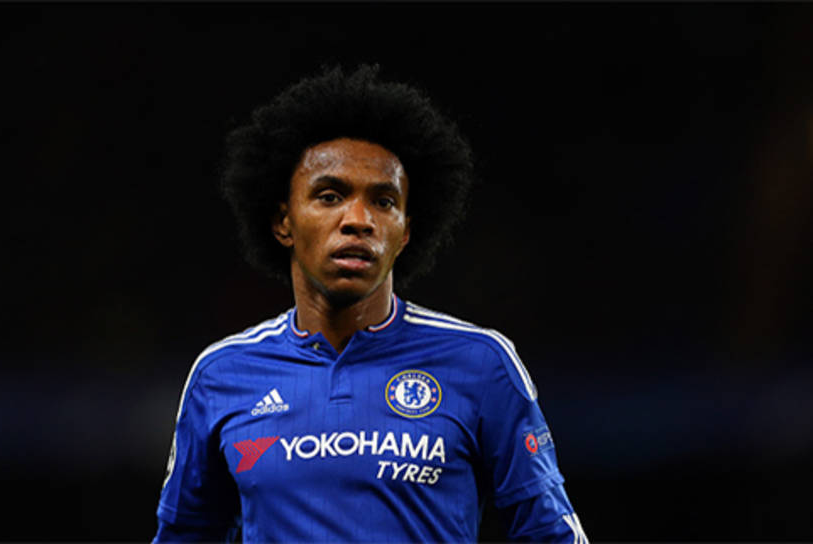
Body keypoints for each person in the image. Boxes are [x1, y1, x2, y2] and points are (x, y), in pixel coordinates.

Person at [154, 64, 587, 543]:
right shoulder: (222, 373)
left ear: (406, 232)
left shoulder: (481, 363)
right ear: (283, 222)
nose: (358, 219)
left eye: (383, 201)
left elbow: (552, 534)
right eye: (330, 196)